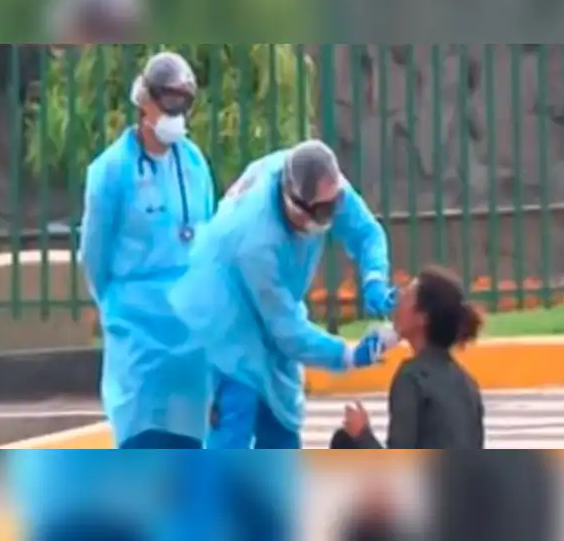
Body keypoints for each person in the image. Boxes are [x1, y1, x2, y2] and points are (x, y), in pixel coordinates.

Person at [169, 139, 400, 449]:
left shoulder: (322, 183)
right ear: (295, 206)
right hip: (223, 314)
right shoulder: (257, 241)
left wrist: (374, 277)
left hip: (273, 303)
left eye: (335, 205)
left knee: (281, 418)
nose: (332, 216)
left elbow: (366, 232)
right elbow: (287, 332)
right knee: (237, 410)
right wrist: (345, 354)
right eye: (322, 211)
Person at [80, 51, 217, 449]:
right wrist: (115, 304)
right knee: (143, 440)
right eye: (167, 99)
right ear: (144, 100)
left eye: (184, 101)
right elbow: (94, 253)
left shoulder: (194, 163)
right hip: (138, 331)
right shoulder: (110, 171)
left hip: (190, 336)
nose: (176, 111)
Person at [330, 265, 486, 449]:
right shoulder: (467, 383)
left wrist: (362, 434)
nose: (398, 298)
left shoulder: (412, 378)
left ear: (422, 318)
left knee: (346, 441)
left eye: (407, 295)